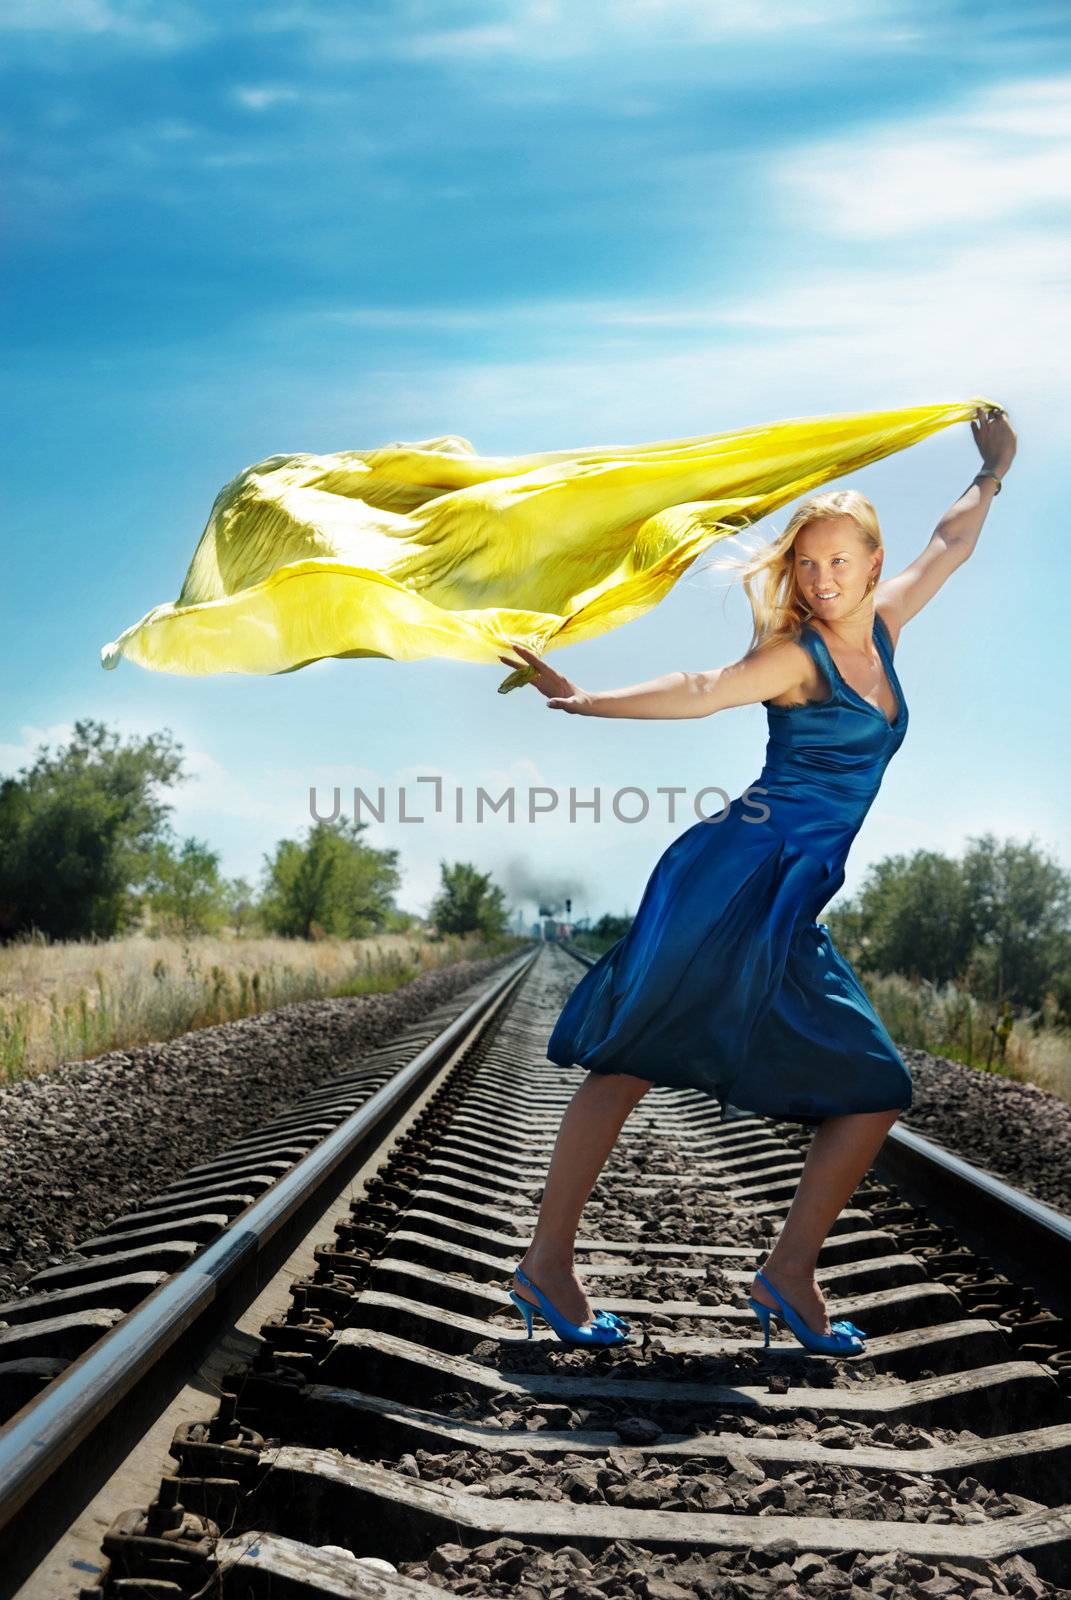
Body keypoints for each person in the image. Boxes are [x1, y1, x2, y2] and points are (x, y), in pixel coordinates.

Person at [497, 404, 1017, 1355]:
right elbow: (699, 689)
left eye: (837, 561)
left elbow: (947, 545)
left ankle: (786, 1274)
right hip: (733, 876)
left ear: (868, 561)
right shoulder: (794, 658)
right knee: (628, 1063)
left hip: (789, 899)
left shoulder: (886, 632)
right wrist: (583, 701)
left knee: (872, 1087)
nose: (820, 579)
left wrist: (993, 470)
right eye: (805, 564)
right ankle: (548, 1265)